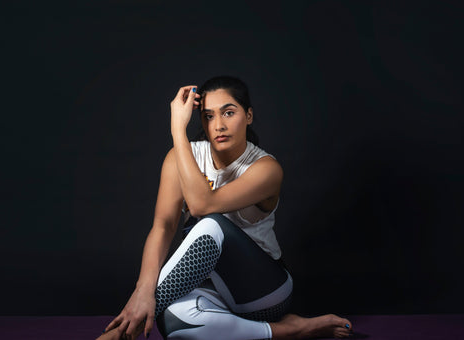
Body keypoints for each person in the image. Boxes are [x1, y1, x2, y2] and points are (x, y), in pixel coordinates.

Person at [97, 76, 353, 340]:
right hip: (214, 291)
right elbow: (163, 227)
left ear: (249, 115)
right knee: (174, 323)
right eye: (208, 116)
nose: (218, 125)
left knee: (210, 223)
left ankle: (122, 334)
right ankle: (289, 330)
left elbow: (202, 205)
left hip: (264, 292)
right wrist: (142, 289)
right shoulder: (181, 157)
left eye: (229, 113)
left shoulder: (266, 169)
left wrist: (177, 129)